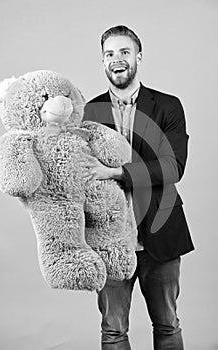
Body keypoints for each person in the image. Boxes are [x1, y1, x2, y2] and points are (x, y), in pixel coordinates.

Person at [82, 25, 194, 350]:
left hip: (161, 234)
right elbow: (80, 174)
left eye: (124, 52)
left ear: (139, 57)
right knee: (113, 331)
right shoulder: (88, 112)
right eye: (109, 54)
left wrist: (114, 172)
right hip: (109, 241)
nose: (117, 60)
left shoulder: (168, 106)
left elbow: (173, 167)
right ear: (103, 61)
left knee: (168, 325)